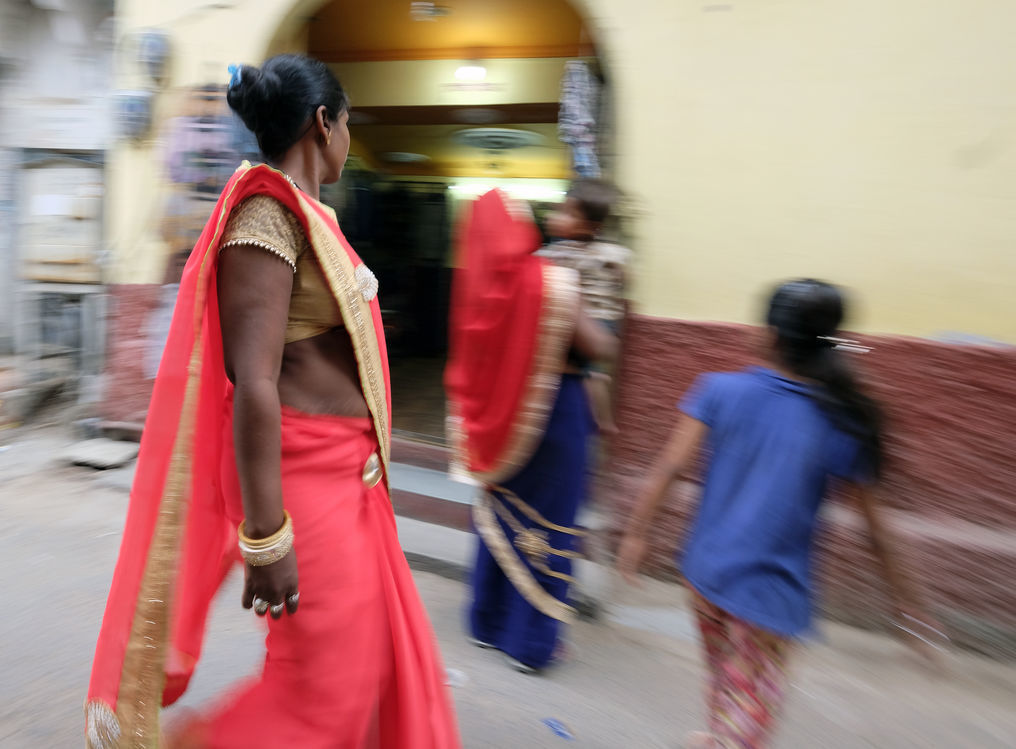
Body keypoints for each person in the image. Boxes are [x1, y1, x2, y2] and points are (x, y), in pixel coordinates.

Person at [85, 55, 461, 749]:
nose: (349, 138)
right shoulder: (267, 213)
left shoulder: (311, 217)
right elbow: (252, 378)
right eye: (349, 123)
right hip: (306, 490)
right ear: (324, 123)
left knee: (365, 674)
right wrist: (266, 534)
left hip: (352, 485)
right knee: (321, 698)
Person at [617, 279, 942, 749]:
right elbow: (877, 533)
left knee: (728, 682)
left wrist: (636, 534)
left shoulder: (718, 390)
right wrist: (909, 604)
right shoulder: (843, 420)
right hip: (768, 596)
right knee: (747, 708)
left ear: (768, 334)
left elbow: (669, 466)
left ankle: (715, 735)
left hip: (705, 574)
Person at [445, 188, 617, 674]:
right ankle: (529, 643)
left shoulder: (474, 293)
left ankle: (487, 624)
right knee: (547, 523)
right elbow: (597, 345)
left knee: (497, 518)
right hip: (554, 414)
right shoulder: (551, 281)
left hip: (500, 425)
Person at [538, 179, 630, 438]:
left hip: (588, 323)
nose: (556, 217)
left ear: (591, 226)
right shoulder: (612, 252)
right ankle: (604, 420)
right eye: (559, 210)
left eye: (567, 213)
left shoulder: (559, 253)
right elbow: (624, 273)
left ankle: (601, 420)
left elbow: (539, 268)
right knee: (596, 375)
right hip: (604, 318)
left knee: (588, 374)